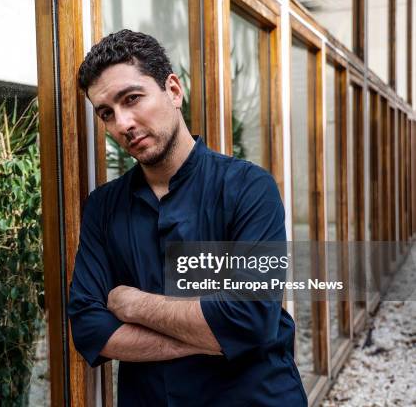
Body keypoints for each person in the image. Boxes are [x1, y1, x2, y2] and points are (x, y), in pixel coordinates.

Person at [67, 29, 307, 406]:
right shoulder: (103, 207)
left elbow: (251, 316)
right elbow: (89, 327)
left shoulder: (248, 188)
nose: (123, 123)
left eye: (132, 98)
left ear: (174, 91)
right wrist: (212, 338)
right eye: (106, 113)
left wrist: (131, 305)